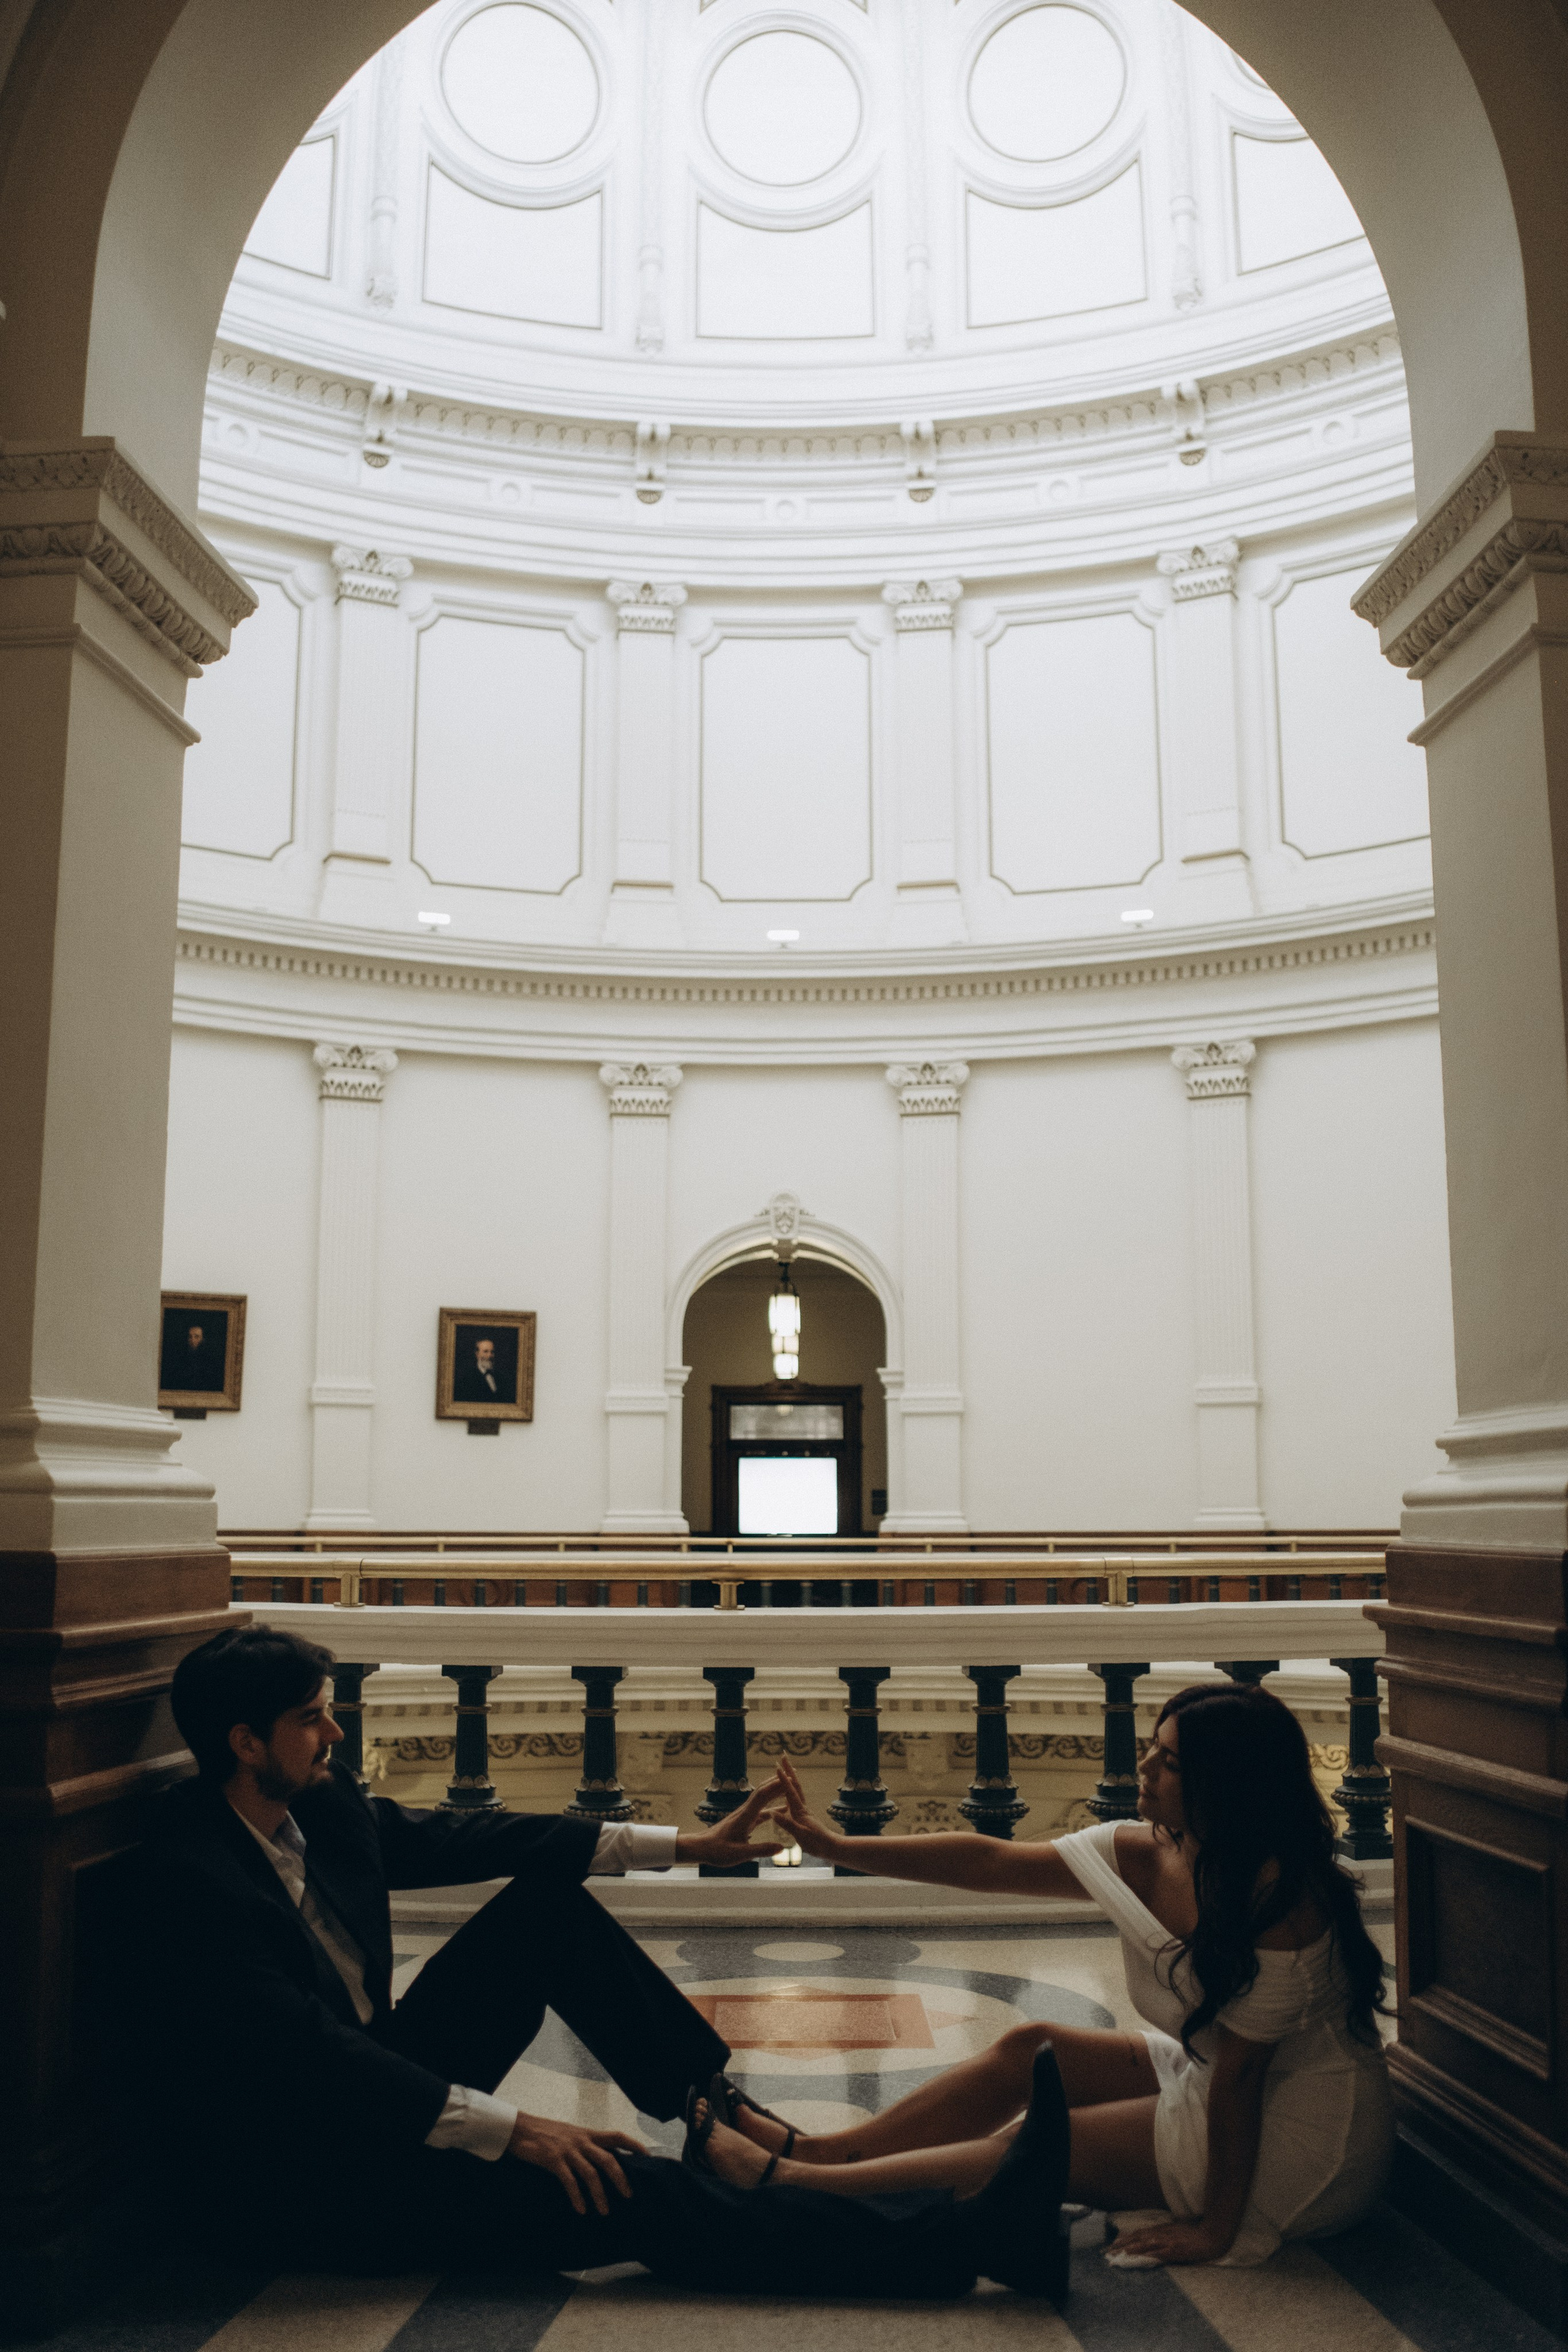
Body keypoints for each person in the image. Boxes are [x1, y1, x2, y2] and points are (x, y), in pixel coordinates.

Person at [134, 1626, 1058, 2299]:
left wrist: (692, 1847)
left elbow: (489, 1833)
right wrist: (518, 2129)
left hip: (380, 2092)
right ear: (245, 1744)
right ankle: (966, 2242)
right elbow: (311, 2061)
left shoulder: (321, 1813)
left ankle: (715, 2110)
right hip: (307, 2174)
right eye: (311, 1721)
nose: (334, 1737)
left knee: (545, 1909)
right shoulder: (193, 1880)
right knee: (624, 2187)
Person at [687, 1681, 1393, 2272]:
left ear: (1224, 1784)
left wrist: (1215, 2230)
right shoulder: (1156, 1852)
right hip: (1222, 2079)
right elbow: (989, 1862)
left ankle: (797, 2185)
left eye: (1169, 1761)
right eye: (1152, 1745)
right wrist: (839, 1847)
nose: (1144, 1766)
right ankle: (821, 2150)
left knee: (1038, 2143)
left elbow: (1242, 2080)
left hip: (1297, 2137)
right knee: (1033, 2049)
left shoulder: (1281, 1903)